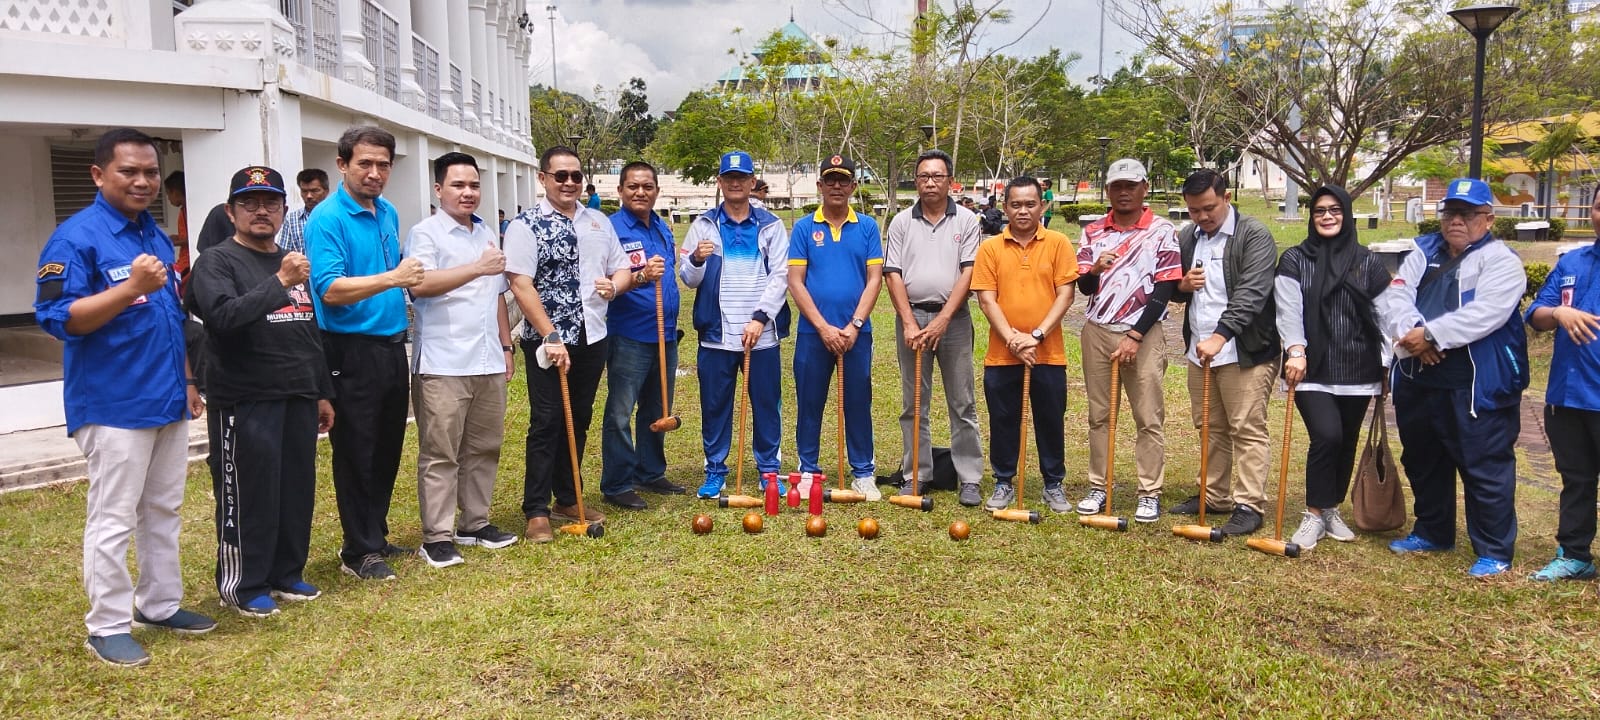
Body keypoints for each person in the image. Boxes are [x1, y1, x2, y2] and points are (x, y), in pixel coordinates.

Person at [35, 128, 215, 667]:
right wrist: (128, 288)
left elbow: (171, 318)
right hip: (113, 404)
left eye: (151, 172)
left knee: (163, 508)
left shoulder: (154, 236)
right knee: (113, 517)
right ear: (98, 175)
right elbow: (58, 319)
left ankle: (159, 604)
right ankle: (107, 625)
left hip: (165, 397)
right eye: (129, 172)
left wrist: (187, 383)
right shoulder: (75, 239)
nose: (143, 181)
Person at [187, 165, 335, 616]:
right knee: (247, 492)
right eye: (249, 203)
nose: (261, 211)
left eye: (271, 202)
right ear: (231, 212)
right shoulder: (216, 261)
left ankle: (287, 572)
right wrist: (280, 283)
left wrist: (321, 391)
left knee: (295, 488)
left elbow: (307, 330)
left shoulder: (290, 259)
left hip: (296, 394)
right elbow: (224, 318)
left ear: (284, 209)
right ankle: (244, 582)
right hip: (246, 398)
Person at [1381, 177, 1528, 578]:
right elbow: (1396, 295)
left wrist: (1430, 335)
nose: (1456, 221)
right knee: (1423, 457)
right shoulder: (1421, 249)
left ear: (1488, 218)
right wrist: (1416, 336)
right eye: (1450, 212)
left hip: (1476, 382)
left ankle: (1494, 548)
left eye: (1466, 213)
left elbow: (1487, 313)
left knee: (1484, 464)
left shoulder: (1501, 260)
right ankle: (1432, 530)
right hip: (1418, 375)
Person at [506, 146, 650, 542]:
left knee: (580, 417)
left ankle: (567, 498)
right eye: (560, 176)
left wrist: (616, 284)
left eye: (575, 176)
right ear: (543, 179)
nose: (569, 183)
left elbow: (621, 269)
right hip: (548, 341)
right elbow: (520, 283)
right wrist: (550, 334)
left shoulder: (598, 222)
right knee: (547, 421)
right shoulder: (525, 225)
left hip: (592, 336)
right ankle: (536, 509)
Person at [305, 125, 425, 581]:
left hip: (392, 344)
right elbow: (330, 289)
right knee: (356, 448)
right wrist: (394, 278)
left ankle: (375, 532)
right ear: (342, 165)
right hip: (348, 349)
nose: (375, 173)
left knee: (387, 445)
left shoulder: (387, 211)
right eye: (365, 164)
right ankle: (358, 550)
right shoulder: (327, 218)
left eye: (383, 165)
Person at [405, 152, 519, 568]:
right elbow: (420, 285)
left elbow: (498, 297)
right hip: (443, 362)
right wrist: (476, 267)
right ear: (439, 190)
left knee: (484, 446)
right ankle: (437, 534)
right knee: (440, 451)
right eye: (458, 185)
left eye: (473, 185)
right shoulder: (426, 233)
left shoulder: (486, 231)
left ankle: (475, 522)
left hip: (487, 357)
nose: (468, 192)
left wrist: (506, 347)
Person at [1275, 185, 1393, 549]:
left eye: (1335, 210)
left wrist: (1387, 364)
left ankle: (1331, 510)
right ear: (1312, 218)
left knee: (1347, 441)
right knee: (1327, 436)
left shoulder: (1368, 262)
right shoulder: (1295, 259)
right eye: (1320, 211)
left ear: (1346, 214)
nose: (1327, 216)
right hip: (1311, 366)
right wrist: (1296, 350)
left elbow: (1385, 314)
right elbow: (1288, 309)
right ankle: (1313, 514)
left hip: (1359, 366)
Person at [1170, 169, 1281, 536]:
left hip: (1243, 350)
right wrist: (1182, 286)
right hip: (1200, 350)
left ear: (1227, 197)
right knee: (1209, 426)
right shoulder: (1189, 237)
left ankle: (1249, 504)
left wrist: (1220, 336)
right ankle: (1213, 495)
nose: (1202, 217)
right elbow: (1174, 288)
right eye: (1194, 211)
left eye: (1209, 208)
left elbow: (1253, 293)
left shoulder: (1254, 235)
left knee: (1246, 428)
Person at [1073, 159, 1181, 523]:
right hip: (1098, 330)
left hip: (1143, 333)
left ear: (1144, 188)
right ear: (1107, 190)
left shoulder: (1162, 230)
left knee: (1148, 415)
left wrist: (1135, 335)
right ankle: (1098, 486)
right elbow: (1084, 287)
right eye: (1117, 185)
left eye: (1130, 185)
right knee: (1099, 415)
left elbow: (1165, 287)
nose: (1123, 192)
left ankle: (1149, 491)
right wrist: (1095, 270)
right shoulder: (1092, 231)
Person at [679, 150, 791, 499]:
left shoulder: (770, 224)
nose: (736, 183)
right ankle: (715, 470)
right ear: (720, 182)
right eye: (729, 177)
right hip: (716, 333)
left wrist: (760, 318)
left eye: (742, 177)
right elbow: (688, 278)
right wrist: (697, 259)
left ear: (752, 181)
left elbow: (782, 275)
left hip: (762, 334)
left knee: (766, 403)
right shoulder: (703, 225)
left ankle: (769, 471)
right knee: (715, 406)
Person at [971, 176, 1078, 514]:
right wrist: (1014, 339)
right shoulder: (990, 248)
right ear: (1005, 208)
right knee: (1003, 418)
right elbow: (987, 300)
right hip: (1003, 354)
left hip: (1048, 352)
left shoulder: (1058, 243)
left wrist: (1037, 336)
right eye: (1015, 204)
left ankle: (1053, 484)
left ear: (1042, 206)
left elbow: (1066, 294)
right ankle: (1003, 480)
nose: (1023, 210)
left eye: (1030, 204)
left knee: (1050, 418)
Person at [883, 149, 985, 506]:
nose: (929, 182)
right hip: (911, 320)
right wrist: (909, 323)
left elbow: (969, 273)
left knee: (962, 402)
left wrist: (943, 320)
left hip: (953, 321)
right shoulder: (900, 222)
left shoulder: (968, 221)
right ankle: (916, 474)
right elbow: (892, 273)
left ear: (949, 181)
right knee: (914, 403)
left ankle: (969, 477)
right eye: (923, 176)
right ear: (916, 180)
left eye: (937, 176)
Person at [787, 155, 884, 501]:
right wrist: (824, 327)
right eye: (831, 180)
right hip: (814, 334)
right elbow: (796, 282)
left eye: (844, 180)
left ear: (854, 186)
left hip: (857, 333)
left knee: (858, 402)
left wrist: (854, 325)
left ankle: (863, 472)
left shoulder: (868, 227)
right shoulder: (802, 228)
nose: (837, 186)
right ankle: (808, 471)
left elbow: (875, 280)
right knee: (809, 403)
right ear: (820, 186)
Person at [600, 161, 686, 510]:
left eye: (647, 186)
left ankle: (649, 471)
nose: (640, 192)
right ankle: (618, 482)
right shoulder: (612, 229)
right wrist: (640, 275)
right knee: (620, 411)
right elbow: (608, 281)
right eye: (633, 186)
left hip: (664, 334)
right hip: (629, 334)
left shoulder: (661, 227)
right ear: (620, 190)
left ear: (657, 191)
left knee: (656, 406)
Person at [1526, 192, 1600, 582]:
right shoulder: (1571, 263)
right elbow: (1535, 315)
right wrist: (1558, 311)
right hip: (1567, 396)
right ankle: (1575, 554)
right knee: (1577, 479)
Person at [277, 168, 329, 254]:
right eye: (304, 191)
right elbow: (284, 254)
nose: (309, 196)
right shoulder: (291, 220)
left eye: (314, 191)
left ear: (326, 191)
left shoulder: (338, 216)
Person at [164, 171, 190, 283]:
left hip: (189, 263)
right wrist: (178, 237)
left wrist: (177, 242)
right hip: (183, 261)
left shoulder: (191, 209)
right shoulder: (183, 210)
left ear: (175, 192)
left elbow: (194, 238)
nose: (168, 198)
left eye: (168, 194)